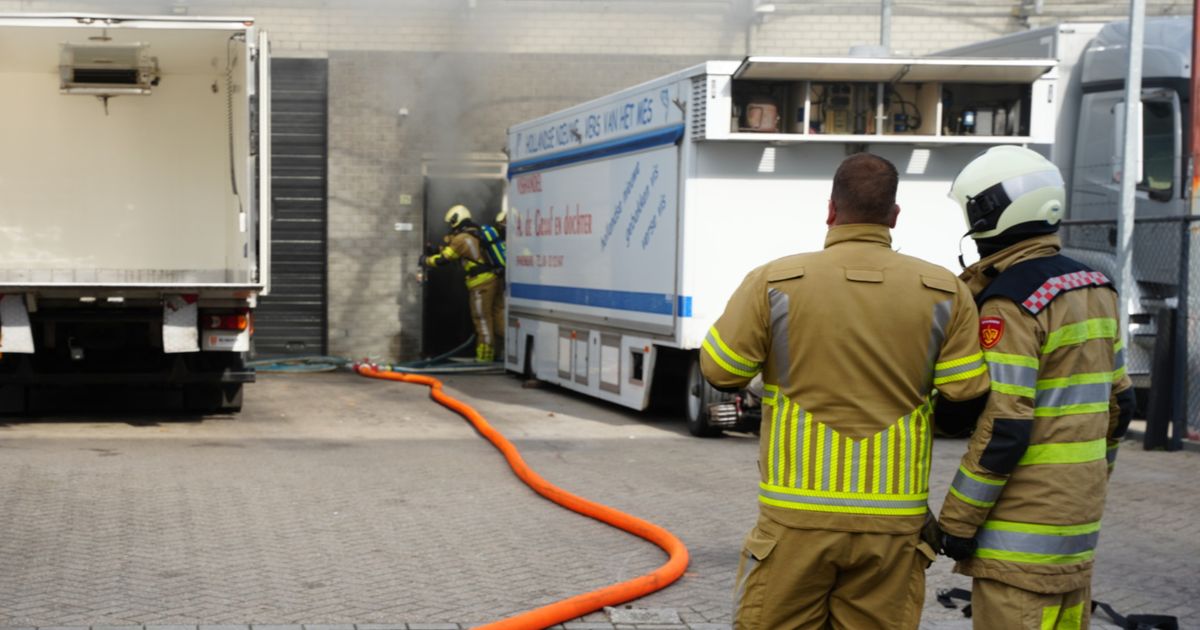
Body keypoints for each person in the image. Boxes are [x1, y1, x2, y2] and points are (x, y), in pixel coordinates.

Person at [702, 153, 991, 629]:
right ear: (894, 216)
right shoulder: (945, 291)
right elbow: (964, 393)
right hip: (893, 527)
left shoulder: (774, 282)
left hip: (796, 519)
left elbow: (720, 370)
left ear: (831, 210)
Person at [937, 146, 1135, 629]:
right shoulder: (1098, 286)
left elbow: (1005, 425)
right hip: (1076, 529)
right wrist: (1086, 485)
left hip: (1017, 541)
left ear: (990, 212)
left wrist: (957, 523)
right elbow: (1120, 405)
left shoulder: (1010, 302)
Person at [424, 204, 505, 362]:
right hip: (495, 279)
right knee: (498, 317)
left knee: (482, 319)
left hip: (481, 284)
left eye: (451, 222)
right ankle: (507, 351)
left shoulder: (462, 238)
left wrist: (426, 260)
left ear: (456, 220)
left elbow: (444, 259)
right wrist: (436, 249)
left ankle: (485, 357)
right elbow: (457, 251)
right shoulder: (476, 233)